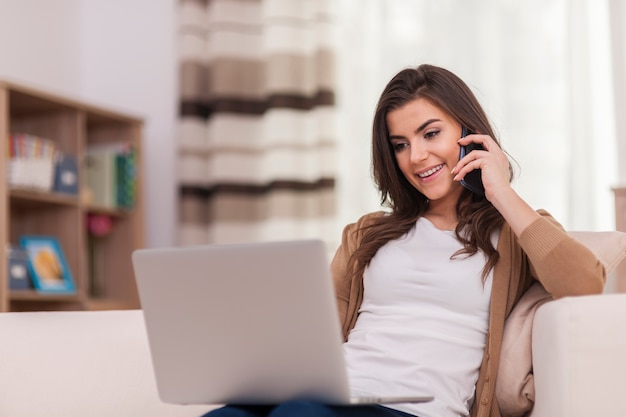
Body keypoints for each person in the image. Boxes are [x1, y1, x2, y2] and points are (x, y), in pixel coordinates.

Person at [201, 64, 605, 417]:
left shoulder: (517, 233)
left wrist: (499, 191)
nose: (416, 157)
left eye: (431, 134)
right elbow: (318, 330)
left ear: (469, 132)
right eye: (401, 145)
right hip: (333, 394)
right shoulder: (367, 233)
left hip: (414, 409)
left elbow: (586, 284)